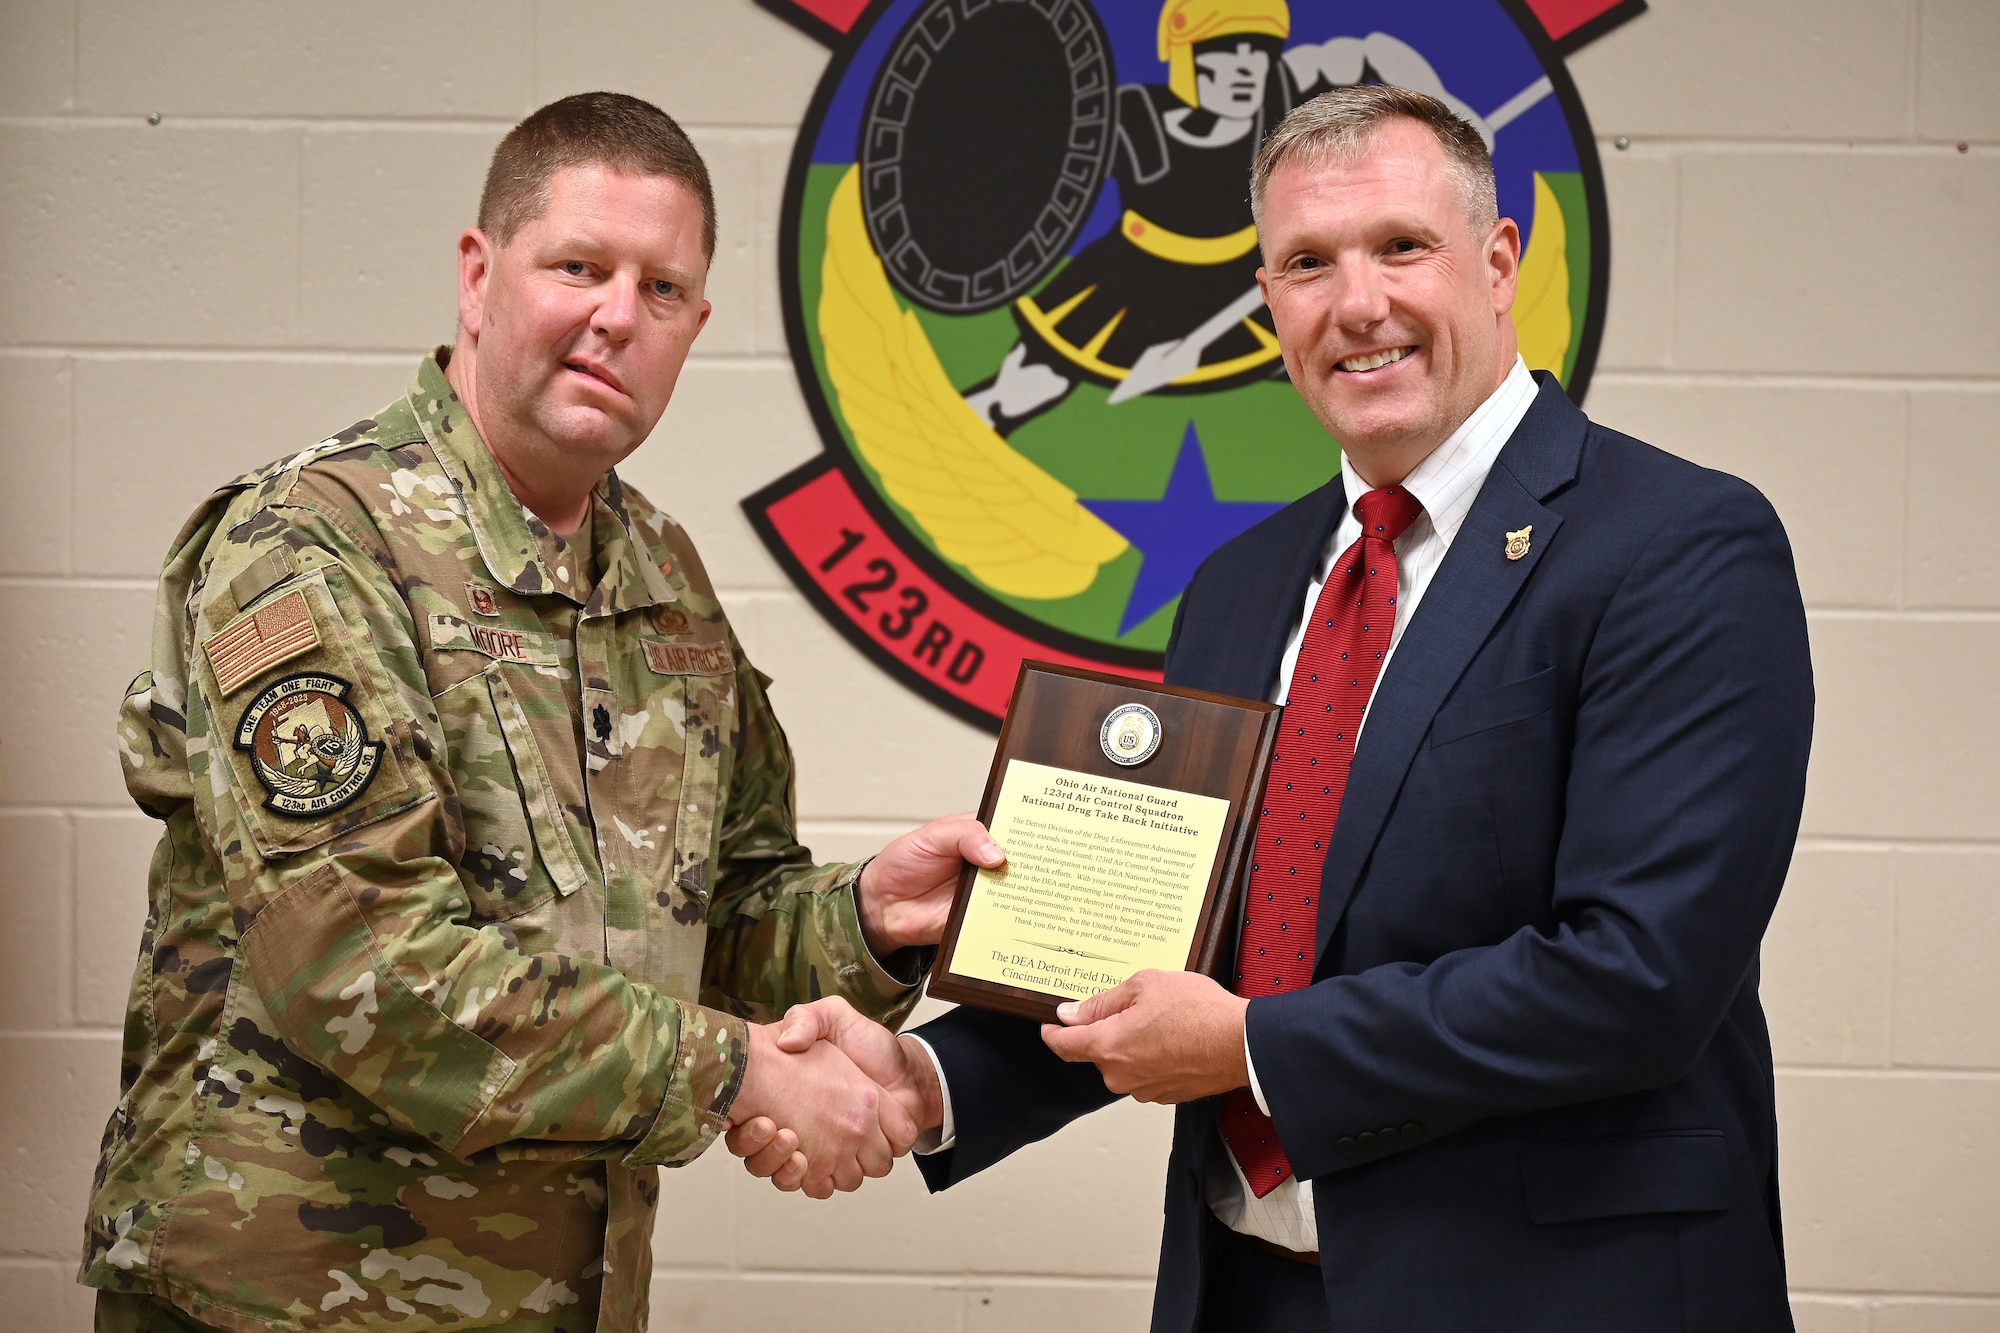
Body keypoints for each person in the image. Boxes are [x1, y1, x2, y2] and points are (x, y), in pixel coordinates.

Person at [734, 84, 1814, 1332]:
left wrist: (1255, 1048)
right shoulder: (1240, 587)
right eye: (1306, 263)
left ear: (1499, 259)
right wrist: (923, 1077)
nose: (1358, 304)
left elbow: (1637, 979)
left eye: (1401, 246)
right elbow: (1164, 953)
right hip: (1245, 1292)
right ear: (1266, 299)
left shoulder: (1676, 544)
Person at [78, 92, 1000, 1333]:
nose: (617, 315)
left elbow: (711, 928)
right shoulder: (312, 542)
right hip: (282, 1303)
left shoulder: (663, 581)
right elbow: (361, 964)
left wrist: (868, 922)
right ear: (477, 275)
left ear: (695, 328)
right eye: (580, 265)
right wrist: (735, 1076)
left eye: (661, 290)